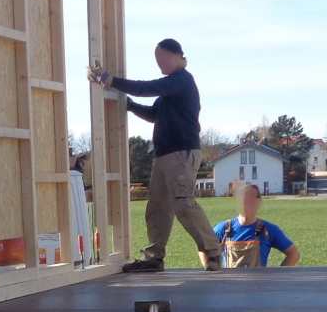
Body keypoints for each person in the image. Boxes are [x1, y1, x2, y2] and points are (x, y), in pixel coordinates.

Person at [90, 38, 218, 273]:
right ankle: (154, 258)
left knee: (183, 204)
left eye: (163, 59)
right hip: (164, 155)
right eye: (157, 61)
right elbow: (153, 114)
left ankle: (212, 251)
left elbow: (146, 88)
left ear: (178, 56)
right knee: (157, 208)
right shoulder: (170, 90)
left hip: (181, 152)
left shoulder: (181, 80)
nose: (160, 64)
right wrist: (130, 106)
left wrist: (111, 81)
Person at [211, 183, 301, 268]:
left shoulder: (268, 230)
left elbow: (293, 254)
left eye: (252, 198)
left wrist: (278, 277)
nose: (248, 202)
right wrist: (214, 272)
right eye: (244, 198)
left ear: (259, 202)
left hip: (259, 284)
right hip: (230, 284)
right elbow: (204, 249)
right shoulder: (224, 229)